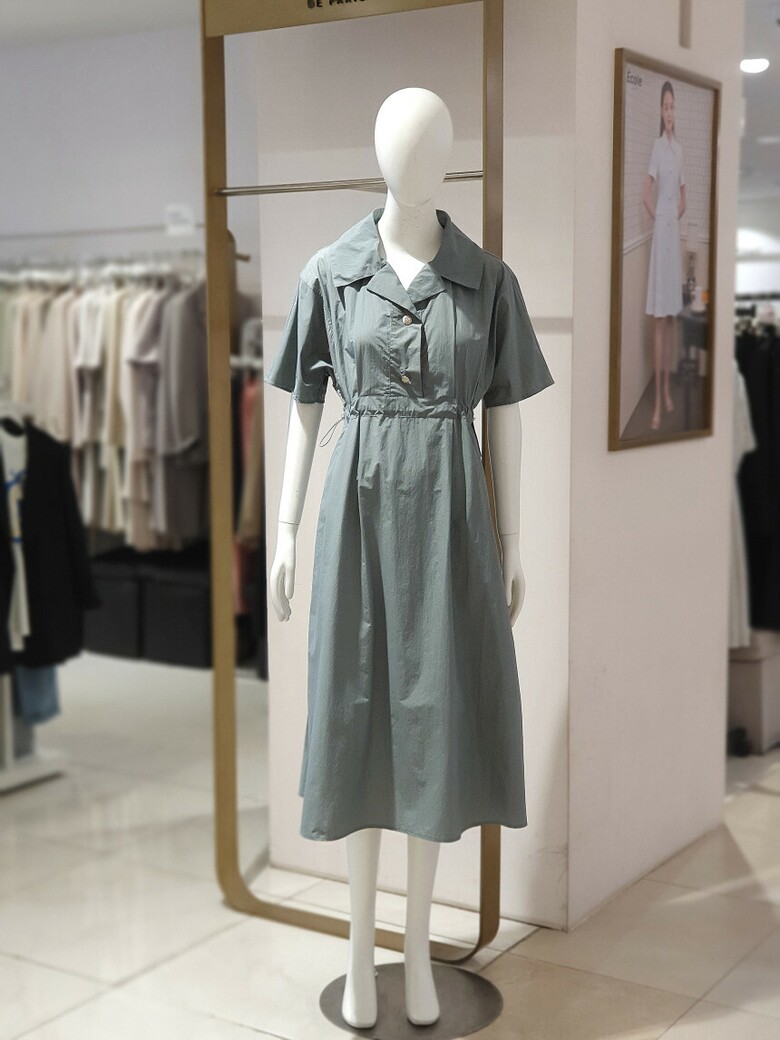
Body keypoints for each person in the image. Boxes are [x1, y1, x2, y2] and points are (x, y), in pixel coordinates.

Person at [643, 79, 686, 431]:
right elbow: (646, 191)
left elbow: (684, 195)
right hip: (661, 236)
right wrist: (660, 217)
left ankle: (668, 389)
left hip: (674, 234)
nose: (669, 112)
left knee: (671, 318)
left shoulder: (679, 150)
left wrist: (674, 215)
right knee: (660, 318)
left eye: (673, 107)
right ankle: (657, 399)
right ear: (661, 110)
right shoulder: (657, 148)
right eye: (666, 106)